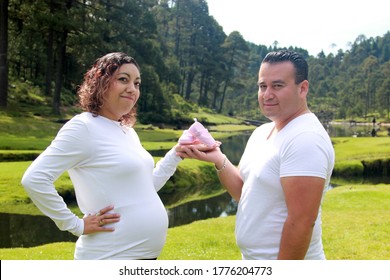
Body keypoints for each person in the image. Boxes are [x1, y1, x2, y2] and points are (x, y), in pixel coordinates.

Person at [21, 52, 184, 260]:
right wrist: (75, 224)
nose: (132, 89)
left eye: (137, 83)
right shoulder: (83, 127)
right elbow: (34, 179)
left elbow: (144, 188)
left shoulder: (127, 131)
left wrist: (176, 154)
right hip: (109, 257)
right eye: (123, 79)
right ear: (101, 82)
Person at [178, 50, 335, 260]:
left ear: (302, 88)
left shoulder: (306, 138)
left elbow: (301, 222)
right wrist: (218, 158)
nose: (267, 94)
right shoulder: (262, 132)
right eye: (262, 86)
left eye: (277, 86)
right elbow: (244, 193)